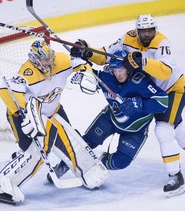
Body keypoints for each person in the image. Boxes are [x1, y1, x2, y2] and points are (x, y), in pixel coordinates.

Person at [69, 14, 185, 197]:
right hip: (149, 90)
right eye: (143, 31)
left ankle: (175, 177)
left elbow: (165, 72)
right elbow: (107, 55)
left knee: (164, 129)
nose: (147, 34)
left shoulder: (162, 44)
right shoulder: (128, 38)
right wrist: (88, 51)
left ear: (155, 30)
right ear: (137, 31)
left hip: (172, 90)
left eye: (150, 31)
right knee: (176, 126)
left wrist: (142, 62)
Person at [0, 40, 109, 205]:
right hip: (26, 115)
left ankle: (86, 169)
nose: (49, 62)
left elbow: (80, 64)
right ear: (35, 61)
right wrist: (25, 113)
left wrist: (83, 71)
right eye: (44, 60)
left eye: (49, 58)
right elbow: (4, 90)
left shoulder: (60, 60)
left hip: (53, 112)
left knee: (68, 139)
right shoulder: (27, 72)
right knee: (32, 152)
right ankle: (0, 188)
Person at [47, 50, 168, 183]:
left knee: (121, 162)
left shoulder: (140, 81)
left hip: (135, 130)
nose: (118, 74)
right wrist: (80, 59)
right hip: (110, 119)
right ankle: (63, 166)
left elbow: (163, 102)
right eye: (115, 70)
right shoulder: (106, 77)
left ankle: (99, 164)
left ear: (128, 68)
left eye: (121, 70)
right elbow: (89, 72)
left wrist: (138, 103)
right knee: (85, 144)